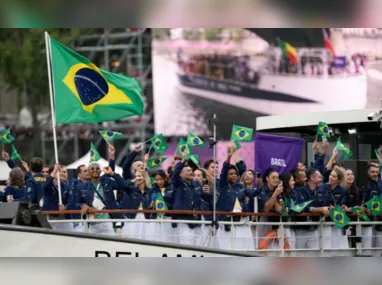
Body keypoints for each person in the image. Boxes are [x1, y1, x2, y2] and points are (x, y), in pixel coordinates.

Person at [216, 145, 259, 251]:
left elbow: (243, 171)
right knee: (226, 248)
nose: (234, 175)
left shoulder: (241, 186)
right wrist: (229, 157)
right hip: (227, 221)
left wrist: (261, 185)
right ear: (226, 176)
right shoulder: (223, 185)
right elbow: (223, 171)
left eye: (235, 173)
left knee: (241, 248)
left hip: (241, 221)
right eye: (230, 174)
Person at [75, 163, 133, 235]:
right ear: (89, 171)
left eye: (97, 168)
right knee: (92, 245)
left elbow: (123, 185)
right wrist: (82, 205)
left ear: (101, 171)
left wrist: (112, 174)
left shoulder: (107, 181)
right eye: (92, 169)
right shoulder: (82, 187)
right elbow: (75, 203)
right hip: (92, 222)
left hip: (109, 221)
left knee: (111, 243)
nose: (95, 170)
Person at [171, 153, 212, 246]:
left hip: (197, 220)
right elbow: (174, 176)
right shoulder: (178, 184)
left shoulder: (197, 184)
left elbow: (205, 198)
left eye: (191, 170)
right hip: (184, 220)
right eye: (188, 171)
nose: (191, 172)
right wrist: (182, 161)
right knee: (187, 245)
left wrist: (208, 193)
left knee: (200, 244)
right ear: (181, 174)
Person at [294, 168, 329, 249]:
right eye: (319, 177)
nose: (321, 179)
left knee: (314, 256)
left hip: (314, 228)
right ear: (313, 178)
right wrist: (317, 209)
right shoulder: (300, 190)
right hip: (301, 229)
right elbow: (299, 206)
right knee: (299, 256)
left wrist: (328, 208)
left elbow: (323, 205)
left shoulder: (320, 191)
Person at [314, 167, 346, 249]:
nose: (331, 177)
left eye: (334, 176)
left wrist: (342, 207)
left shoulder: (341, 190)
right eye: (331, 175)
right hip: (324, 221)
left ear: (338, 180)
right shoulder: (322, 187)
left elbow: (341, 203)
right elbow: (319, 202)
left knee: (336, 246)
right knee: (325, 245)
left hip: (336, 221)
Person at [119, 170, 153, 240]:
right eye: (136, 176)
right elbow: (122, 185)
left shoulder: (150, 191)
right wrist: (133, 180)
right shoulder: (131, 189)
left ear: (144, 178)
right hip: (132, 218)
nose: (137, 178)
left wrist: (152, 205)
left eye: (139, 176)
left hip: (145, 220)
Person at [42, 164, 74, 232]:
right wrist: (54, 171)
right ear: (52, 173)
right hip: (50, 218)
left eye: (63, 172)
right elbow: (44, 187)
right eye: (58, 171)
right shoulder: (48, 185)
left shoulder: (66, 187)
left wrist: (65, 207)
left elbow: (71, 201)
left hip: (65, 219)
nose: (61, 173)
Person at [150, 170, 175, 243]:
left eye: (161, 179)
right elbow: (149, 203)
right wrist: (151, 204)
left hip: (168, 217)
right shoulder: (153, 189)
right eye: (157, 180)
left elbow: (173, 203)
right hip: (156, 218)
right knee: (156, 240)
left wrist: (164, 206)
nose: (159, 182)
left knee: (168, 240)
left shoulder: (171, 188)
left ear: (165, 178)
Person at [193, 168, 214, 247]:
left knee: (207, 243)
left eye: (199, 175)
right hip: (196, 219)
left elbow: (213, 204)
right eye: (194, 175)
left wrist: (209, 194)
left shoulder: (210, 189)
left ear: (204, 178)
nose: (196, 177)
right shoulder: (190, 189)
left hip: (206, 219)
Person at [364, 163, 382, 248]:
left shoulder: (380, 183)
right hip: (366, 221)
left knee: (378, 248)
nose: (374, 174)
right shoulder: (363, 183)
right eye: (372, 172)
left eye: (376, 172)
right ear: (367, 171)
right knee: (366, 248)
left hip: (379, 222)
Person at [341, 168, 360, 248]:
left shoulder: (356, 189)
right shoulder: (339, 188)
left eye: (352, 174)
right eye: (348, 174)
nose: (350, 176)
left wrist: (353, 208)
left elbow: (357, 204)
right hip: (341, 219)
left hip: (352, 218)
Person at [279, 172, 297, 249]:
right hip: (283, 227)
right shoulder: (280, 195)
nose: (294, 182)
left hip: (291, 226)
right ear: (286, 181)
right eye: (292, 180)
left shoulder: (291, 193)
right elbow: (283, 210)